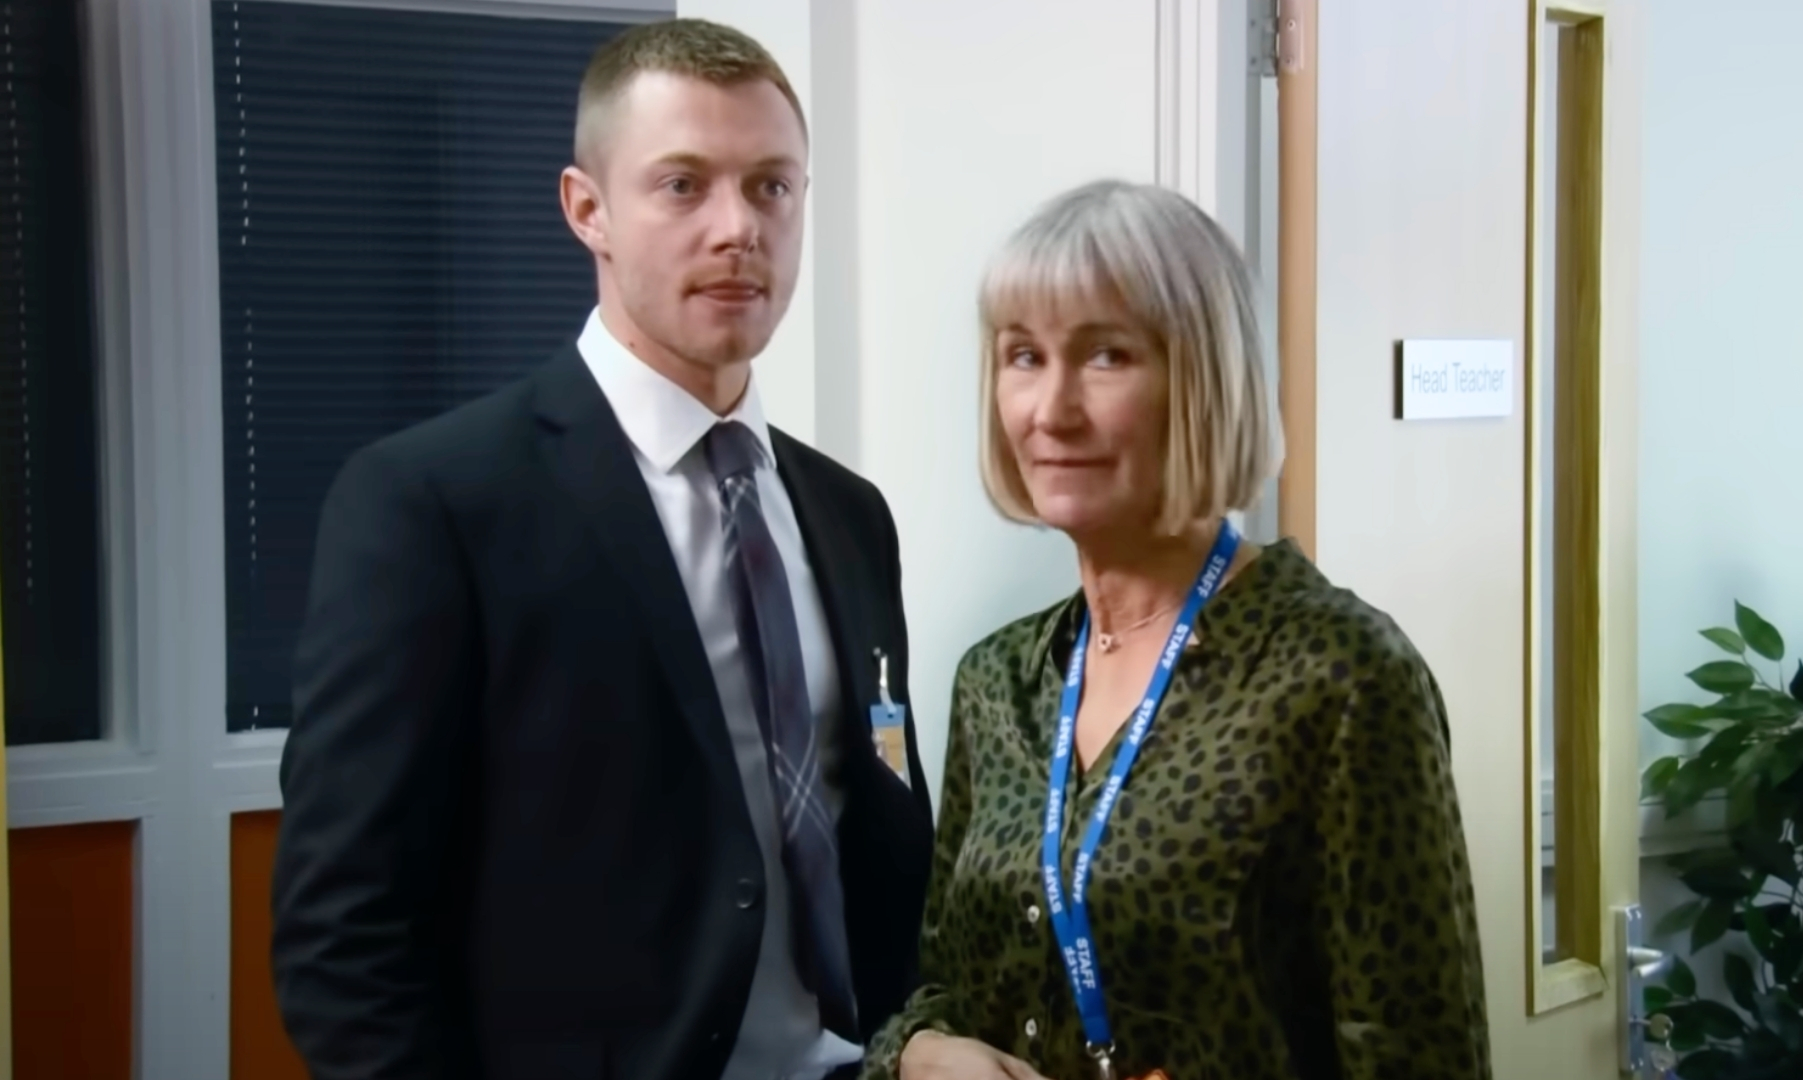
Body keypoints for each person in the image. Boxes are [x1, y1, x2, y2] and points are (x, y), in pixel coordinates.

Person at [270, 18, 934, 1080]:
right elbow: (341, 935)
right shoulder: (434, 503)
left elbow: (884, 838)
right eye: (682, 185)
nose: (738, 230)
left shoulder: (849, 514)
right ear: (589, 210)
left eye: (771, 187)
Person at [865, 180, 1492, 1080]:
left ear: (1202, 378)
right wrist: (919, 1053)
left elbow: (1423, 1058)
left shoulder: (1340, 676)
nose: (1051, 409)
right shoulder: (998, 681)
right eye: (1024, 357)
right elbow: (940, 985)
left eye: (1106, 356)